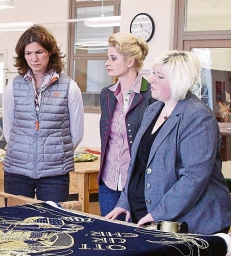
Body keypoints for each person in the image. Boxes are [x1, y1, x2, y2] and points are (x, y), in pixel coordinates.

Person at [105, 50, 231, 235]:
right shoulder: (153, 109)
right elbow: (138, 164)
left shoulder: (197, 116)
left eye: (160, 76)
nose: (151, 79)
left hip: (193, 222)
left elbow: (194, 177)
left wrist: (159, 213)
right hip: (149, 216)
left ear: (179, 81)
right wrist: (125, 201)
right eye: (153, 73)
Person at [2, 25, 84, 202]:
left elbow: (76, 133)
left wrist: (55, 154)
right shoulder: (13, 86)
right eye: (28, 53)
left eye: (39, 52)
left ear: (50, 53)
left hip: (55, 174)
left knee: (52, 224)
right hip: (17, 171)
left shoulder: (70, 87)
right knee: (15, 223)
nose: (34, 59)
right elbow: (8, 129)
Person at [98, 32, 154, 218]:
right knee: (109, 237)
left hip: (138, 185)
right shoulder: (107, 94)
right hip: (108, 183)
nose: (107, 63)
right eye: (108, 58)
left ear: (130, 62)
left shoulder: (152, 96)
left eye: (113, 58)